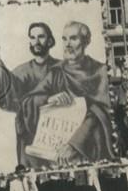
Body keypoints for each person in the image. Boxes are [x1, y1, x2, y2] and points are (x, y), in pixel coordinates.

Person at [23, 22, 114, 165]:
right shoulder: (57, 71)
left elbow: (100, 113)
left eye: (73, 38)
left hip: (89, 149)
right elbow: (29, 101)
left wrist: (74, 144)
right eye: (64, 39)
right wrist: (49, 99)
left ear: (86, 41)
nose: (67, 44)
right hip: (57, 153)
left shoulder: (99, 71)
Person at [0, 23, 61, 167]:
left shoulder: (62, 68)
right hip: (30, 138)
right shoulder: (23, 71)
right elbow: (9, 91)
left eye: (41, 37)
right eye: (32, 37)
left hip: (58, 135)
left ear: (50, 41)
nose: (36, 42)